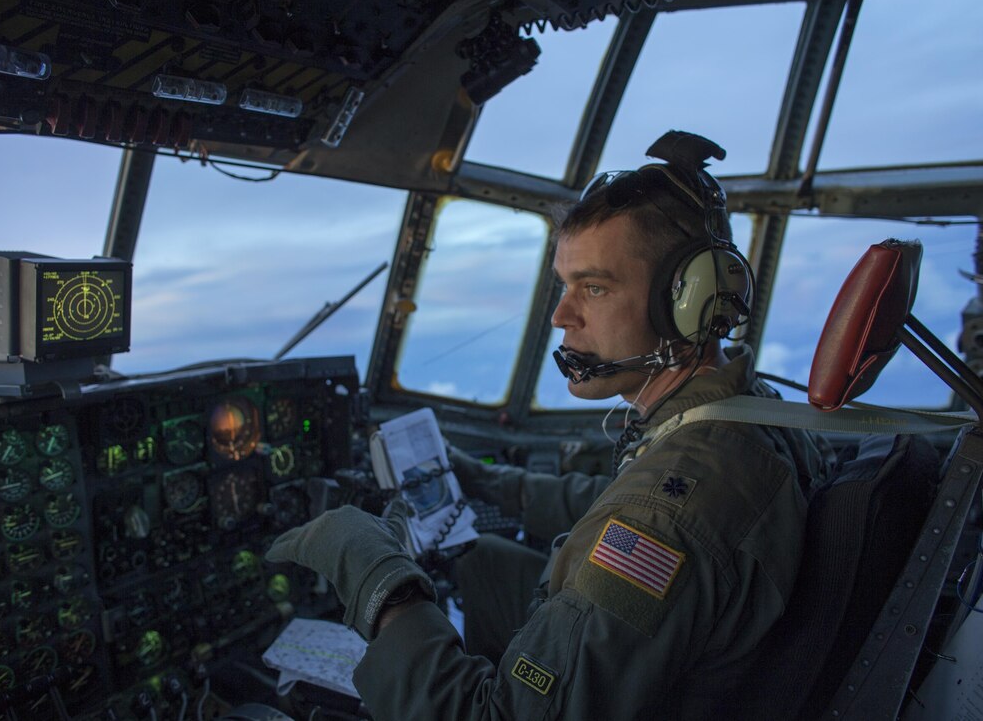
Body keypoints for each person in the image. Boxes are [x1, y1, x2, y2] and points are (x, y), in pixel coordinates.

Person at [266, 130, 831, 719]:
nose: (562, 315)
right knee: (478, 556)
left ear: (687, 304)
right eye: (565, 286)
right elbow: (605, 501)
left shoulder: (670, 513)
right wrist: (481, 480)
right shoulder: (740, 411)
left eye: (594, 287)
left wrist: (379, 578)